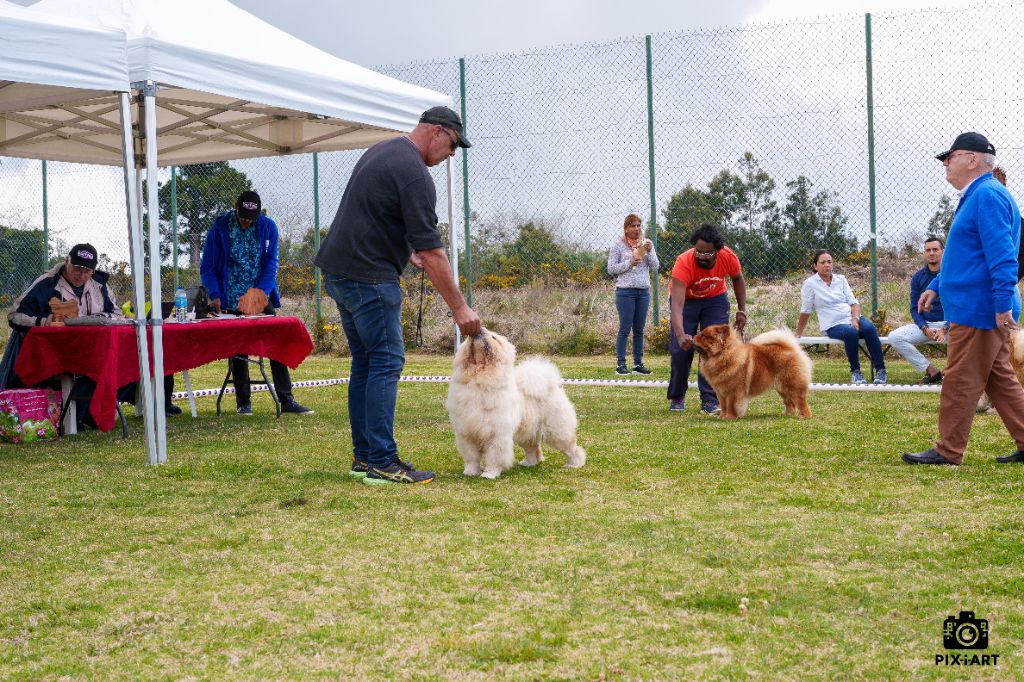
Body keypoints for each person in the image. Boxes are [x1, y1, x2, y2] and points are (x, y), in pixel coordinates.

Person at [315, 106, 481, 485]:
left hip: (340, 271)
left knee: (366, 362)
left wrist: (403, 248)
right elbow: (436, 254)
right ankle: (382, 460)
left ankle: (364, 457)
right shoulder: (415, 175)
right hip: (369, 278)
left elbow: (373, 212)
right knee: (387, 361)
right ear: (437, 132)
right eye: (453, 145)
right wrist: (460, 308)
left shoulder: (385, 150)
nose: (452, 155)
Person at [903, 132, 1024, 466]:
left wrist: (1001, 305)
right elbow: (967, 257)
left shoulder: (986, 195)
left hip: (980, 309)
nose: (945, 163)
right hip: (979, 305)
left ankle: (948, 450)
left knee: (958, 380)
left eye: (950, 156)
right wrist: (936, 286)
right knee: (1000, 380)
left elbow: (1002, 257)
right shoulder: (979, 195)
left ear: (972, 159)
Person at [3, 243, 178, 424]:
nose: (82, 275)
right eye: (77, 269)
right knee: (97, 366)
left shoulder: (99, 284)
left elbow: (116, 314)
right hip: (55, 354)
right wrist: (45, 321)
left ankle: (156, 403)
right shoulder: (46, 284)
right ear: (66, 261)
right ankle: (82, 415)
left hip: (93, 348)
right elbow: (14, 316)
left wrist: (99, 317)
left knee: (142, 355)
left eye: (87, 271)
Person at [200, 190, 313, 416]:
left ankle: (286, 398)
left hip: (259, 296)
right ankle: (244, 402)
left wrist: (260, 293)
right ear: (236, 207)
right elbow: (208, 266)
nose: (245, 222)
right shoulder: (220, 226)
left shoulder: (268, 227)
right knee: (238, 348)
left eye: (250, 219)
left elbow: (271, 265)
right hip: (229, 297)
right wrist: (215, 294)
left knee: (277, 341)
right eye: (242, 217)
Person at [667, 223, 746, 414]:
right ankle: (678, 395)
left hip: (715, 299)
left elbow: (737, 279)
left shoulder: (728, 256)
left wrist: (742, 310)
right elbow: (676, 306)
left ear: (717, 251)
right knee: (680, 350)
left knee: (715, 347)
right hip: (687, 302)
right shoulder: (683, 262)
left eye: (707, 253)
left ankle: (710, 399)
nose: (701, 256)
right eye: (698, 251)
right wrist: (680, 335)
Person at [795, 250, 887, 385]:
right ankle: (856, 372)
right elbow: (806, 310)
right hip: (833, 324)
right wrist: (798, 334)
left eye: (829, 262)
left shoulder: (841, 279)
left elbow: (854, 303)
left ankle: (881, 370)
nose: (827, 265)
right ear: (815, 266)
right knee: (851, 331)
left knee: (869, 328)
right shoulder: (810, 284)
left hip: (852, 318)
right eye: (823, 262)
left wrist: (855, 318)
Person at [886, 237, 946, 384]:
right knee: (894, 337)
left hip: (950, 326)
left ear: (942, 252)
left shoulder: (952, 274)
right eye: (928, 250)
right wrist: (924, 328)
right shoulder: (918, 277)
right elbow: (914, 308)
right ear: (924, 253)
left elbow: (961, 306)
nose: (932, 253)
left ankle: (950, 372)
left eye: (935, 249)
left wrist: (945, 328)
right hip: (927, 326)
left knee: (972, 336)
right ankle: (931, 370)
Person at [607, 213, 659, 375]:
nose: (636, 229)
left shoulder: (647, 244)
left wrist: (649, 252)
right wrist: (629, 263)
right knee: (625, 328)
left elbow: (655, 266)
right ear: (626, 229)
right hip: (625, 292)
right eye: (632, 226)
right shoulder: (618, 246)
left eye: (638, 225)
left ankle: (638, 364)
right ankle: (620, 364)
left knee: (639, 329)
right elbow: (611, 269)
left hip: (643, 292)